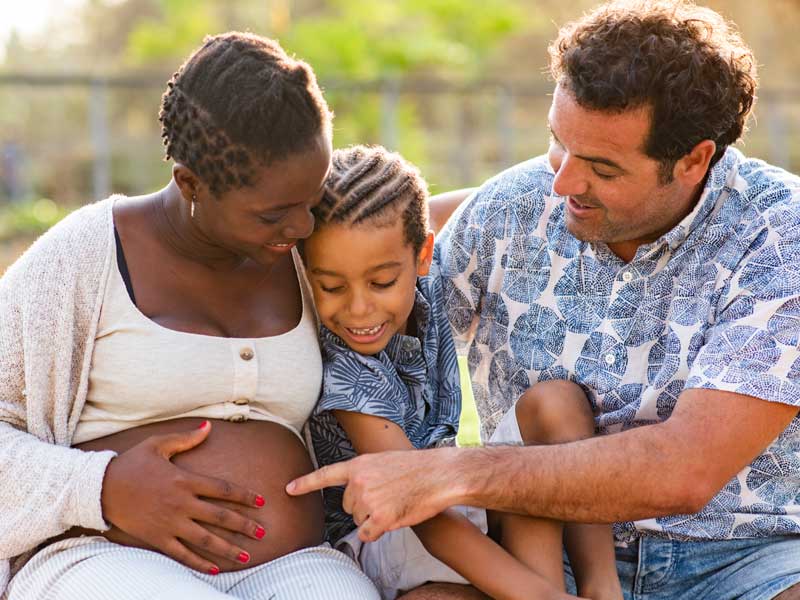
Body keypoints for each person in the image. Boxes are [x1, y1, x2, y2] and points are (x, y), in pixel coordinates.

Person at [288, 2, 800, 599]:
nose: (561, 184)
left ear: (693, 159)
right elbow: (384, 282)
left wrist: (445, 473)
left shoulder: (778, 237)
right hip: (539, 548)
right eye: (559, 142)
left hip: (740, 559)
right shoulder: (515, 206)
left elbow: (683, 471)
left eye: (601, 168)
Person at [0, 32, 380, 600]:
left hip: (297, 561)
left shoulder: (312, 251)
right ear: (190, 184)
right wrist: (100, 487)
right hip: (104, 556)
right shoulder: (83, 257)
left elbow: (413, 225)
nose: (302, 226)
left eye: (313, 197)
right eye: (274, 213)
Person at [301, 145, 621, 600]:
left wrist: (543, 192)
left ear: (423, 256)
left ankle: (600, 587)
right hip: (383, 530)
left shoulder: (427, 289)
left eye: (382, 283)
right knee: (501, 493)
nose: (357, 308)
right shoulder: (345, 365)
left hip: (448, 491)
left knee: (553, 408)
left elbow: (478, 202)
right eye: (331, 286)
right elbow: (415, 506)